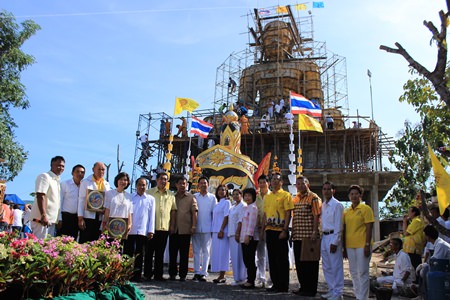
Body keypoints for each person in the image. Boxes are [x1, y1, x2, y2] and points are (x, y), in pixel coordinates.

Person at [262, 172, 294, 293]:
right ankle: (275, 283)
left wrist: (285, 230)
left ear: (282, 182)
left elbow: (288, 213)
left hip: (280, 231)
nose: (275, 181)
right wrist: (263, 230)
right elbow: (265, 214)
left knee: (282, 259)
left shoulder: (286, 195)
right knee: (272, 258)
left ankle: (283, 285)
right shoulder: (268, 196)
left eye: (277, 180)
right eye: (273, 179)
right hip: (270, 230)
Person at [291, 176, 322, 297]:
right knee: (300, 264)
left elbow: (316, 215)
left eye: (302, 183)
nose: (300, 186)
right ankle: (303, 287)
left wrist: (315, 231)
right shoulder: (296, 199)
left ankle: (311, 289)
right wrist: (292, 231)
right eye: (298, 184)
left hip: (309, 236)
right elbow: (294, 217)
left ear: (307, 184)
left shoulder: (313, 198)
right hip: (297, 235)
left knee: (310, 264)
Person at [343, 185, 374, 300]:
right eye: (352, 194)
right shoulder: (346, 212)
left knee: (363, 272)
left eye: (356, 193)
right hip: (350, 246)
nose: (354, 196)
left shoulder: (366, 209)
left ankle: (363, 298)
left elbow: (369, 227)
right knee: (354, 273)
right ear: (349, 196)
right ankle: (358, 296)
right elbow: (344, 230)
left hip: (362, 245)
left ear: (360, 195)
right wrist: (344, 248)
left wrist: (367, 244)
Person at [144, 172, 177, 281]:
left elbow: (173, 211)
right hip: (151, 228)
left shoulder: (171, 195)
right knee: (149, 252)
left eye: (165, 179)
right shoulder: (149, 193)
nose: (163, 181)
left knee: (160, 253)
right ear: (157, 180)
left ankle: (158, 274)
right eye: (161, 179)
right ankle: (147, 274)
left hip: (164, 228)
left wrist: (172, 225)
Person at [123, 177, 155, 282]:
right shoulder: (129, 197)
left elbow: (152, 216)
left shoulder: (150, 199)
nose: (142, 187)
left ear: (146, 186)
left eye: (144, 185)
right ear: (136, 186)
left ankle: (137, 275)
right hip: (130, 230)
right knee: (127, 252)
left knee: (140, 254)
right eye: (140, 185)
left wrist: (151, 230)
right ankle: (126, 274)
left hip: (143, 230)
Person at [169, 177, 198, 281]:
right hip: (173, 229)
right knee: (172, 253)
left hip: (185, 229)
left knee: (184, 253)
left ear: (187, 185)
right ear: (176, 185)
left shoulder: (191, 197)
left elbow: (194, 213)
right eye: (180, 183)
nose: (182, 185)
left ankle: (183, 275)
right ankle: (172, 274)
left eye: (184, 184)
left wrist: (194, 226)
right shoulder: (172, 196)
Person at [30, 156, 65, 239]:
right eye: (58, 165)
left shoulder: (56, 181)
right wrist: (43, 215)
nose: (60, 168)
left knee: (47, 248)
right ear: (51, 165)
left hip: (51, 221)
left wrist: (58, 219)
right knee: (39, 245)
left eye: (63, 166)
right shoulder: (45, 176)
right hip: (41, 220)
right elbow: (40, 195)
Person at [320, 181, 344, 300]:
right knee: (327, 266)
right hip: (324, 237)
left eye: (329, 189)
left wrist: (335, 242)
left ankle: (338, 292)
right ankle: (331, 289)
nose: (326, 191)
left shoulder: (337, 205)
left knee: (336, 265)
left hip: (333, 237)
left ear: (333, 191)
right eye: (324, 189)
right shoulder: (323, 205)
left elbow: (339, 225)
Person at [78, 162, 111, 243]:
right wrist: (80, 217)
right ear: (93, 170)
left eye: (103, 170)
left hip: (100, 217)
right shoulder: (85, 182)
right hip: (87, 217)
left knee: (96, 242)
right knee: (85, 241)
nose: (101, 171)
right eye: (99, 169)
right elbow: (81, 200)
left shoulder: (106, 184)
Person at [192, 176, 216, 282]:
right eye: (201, 183)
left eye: (205, 183)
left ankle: (204, 273)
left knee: (206, 251)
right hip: (196, 227)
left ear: (208, 184)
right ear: (198, 185)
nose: (203, 185)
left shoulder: (212, 197)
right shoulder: (194, 197)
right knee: (196, 251)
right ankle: (197, 272)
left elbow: (214, 214)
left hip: (207, 227)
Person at [416, 224, 450, 298]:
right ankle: (421, 294)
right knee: (424, 270)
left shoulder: (441, 245)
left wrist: (423, 265)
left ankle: (425, 296)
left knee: (425, 271)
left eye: (424, 235)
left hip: (445, 269)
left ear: (428, 236)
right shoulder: (437, 243)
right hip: (443, 267)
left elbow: (435, 262)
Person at [238, 188, 259, 289]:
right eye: (245, 196)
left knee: (250, 259)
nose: (247, 197)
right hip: (243, 236)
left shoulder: (253, 208)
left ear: (253, 197)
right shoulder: (245, 208)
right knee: (246, 259)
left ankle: (251, 280)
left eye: (249, 196)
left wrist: (248, 236)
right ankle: (249, 278)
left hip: (250, 237)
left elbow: (252, 223)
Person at [102, 172, 133, 238]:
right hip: (109, 226)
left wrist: (129, 225)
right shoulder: (109, 193)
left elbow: (129, 213)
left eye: (125, 180)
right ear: (117, 180)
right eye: (121, 179)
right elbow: (107, 210)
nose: (123, 181)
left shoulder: (129, 196)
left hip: (122, 228)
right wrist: (104, 224)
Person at [211, 185, 231, 283]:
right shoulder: (217, 203)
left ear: (226, 192)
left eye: (223, 190)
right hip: (215, 230)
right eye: (219, 190)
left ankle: (222, 275)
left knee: (223, 253)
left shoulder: (227, 202)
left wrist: (222, 229)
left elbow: (226, 216)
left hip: (222, 231)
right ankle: (219, 274)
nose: (221, 191)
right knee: (217, 253)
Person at [59, 164, 85, 239]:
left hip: (77, 218)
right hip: (65, 217)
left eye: (82, 172)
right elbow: (60, 201)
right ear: (72, 173)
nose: (80, 174)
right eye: (77, 171)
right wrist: (59, 218)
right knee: (62, 241)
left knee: (74, 242)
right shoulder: (65, 184)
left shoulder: (84, 186)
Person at [228, 189, 247, 286]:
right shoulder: (233, 206)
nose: (235, 196)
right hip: (231, 233)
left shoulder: (242, 206)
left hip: (238, 234)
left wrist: (237, 233)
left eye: (237, 194)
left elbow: (240, 221)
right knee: (234, 257)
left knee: (239, 257)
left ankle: (241, 278)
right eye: (234, 194)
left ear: (241, 195)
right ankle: (236, 277)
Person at [255, 175, 271, 288]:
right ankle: (261, 277)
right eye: (260, 182)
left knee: (270, 255)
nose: (262, 184)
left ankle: (271, 279)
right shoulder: (256, 197)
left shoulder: (271, 196)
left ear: (268, 183)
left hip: (270, 228)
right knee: (260, 255)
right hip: (258, 228)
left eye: (264, 182)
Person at [403, 206, 426, 271]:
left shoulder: (416, 221)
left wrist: (404, 222)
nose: (408, 214)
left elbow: (406, 233)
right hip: (411, 249)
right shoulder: (414, 221)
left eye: (409, 212)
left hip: (414, 249)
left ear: (414, 213)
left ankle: (418, 280)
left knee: (415, 267)